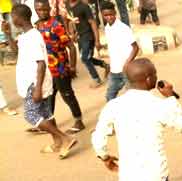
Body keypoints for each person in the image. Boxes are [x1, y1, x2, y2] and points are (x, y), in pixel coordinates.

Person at [3, 4, 76, 158]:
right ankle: (57, 142)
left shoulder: (33, 37)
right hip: (34, 82)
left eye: (12, 16)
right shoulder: (25, 36)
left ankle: (65, 138)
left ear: (18, 18)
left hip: (34, 83)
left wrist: (37, 88)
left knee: (30, 114)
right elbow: (17, 52)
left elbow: (41, 63)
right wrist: (7, 35)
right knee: (45, 112)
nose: (11, 19)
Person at [34, 0, 84, 134]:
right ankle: (48, 123)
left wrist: (72, 67)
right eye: (39, 10)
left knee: (67, 94)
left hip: (60, 68)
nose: (42, 12)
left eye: (45, 9)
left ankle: (79, 120)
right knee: (49, 96)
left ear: (48, 9)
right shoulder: (37, 26)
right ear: (35, 10)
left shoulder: (56, 25)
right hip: (47, 70)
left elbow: (71, 47)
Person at [100, 1, 139, 101]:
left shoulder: (123, 28)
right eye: (106, 15)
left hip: (126, 70)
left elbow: (135, 48)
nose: (109, 17)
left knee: (132, 97)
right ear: (102, 15)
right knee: (110, 97)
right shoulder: (107, 28)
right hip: (114, 71)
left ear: (115, 13)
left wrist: (127, 63)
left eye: (111, 14)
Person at [67, 0, 108, 88]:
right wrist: (73, 34)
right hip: (80, 37)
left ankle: (96, 79)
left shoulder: (84, 6)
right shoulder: (68, 6)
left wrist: (97, 40)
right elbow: (71, 21)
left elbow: (93, 23)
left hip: (88, 35)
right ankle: (104, 65)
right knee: (86, 58)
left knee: (84, 58)